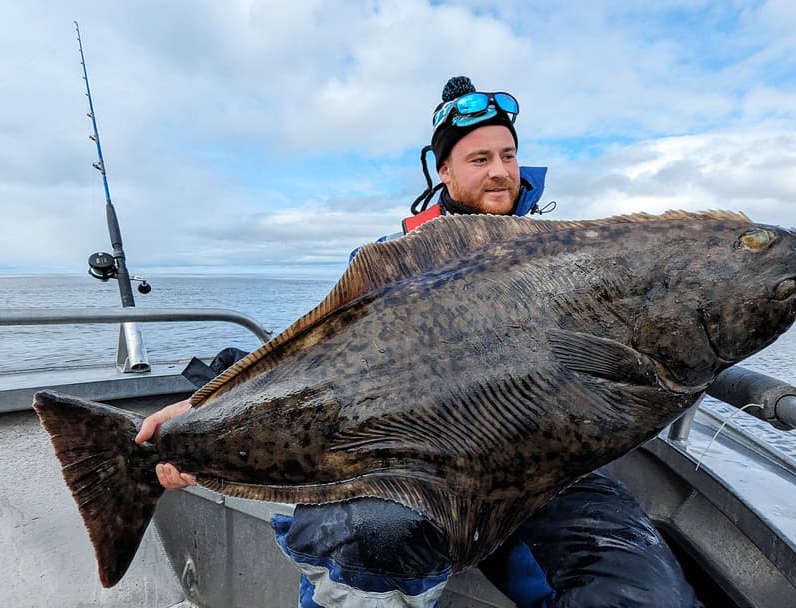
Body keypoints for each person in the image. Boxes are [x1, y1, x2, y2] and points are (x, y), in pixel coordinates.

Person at [136, 76, 701, 608]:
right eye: (479, 159)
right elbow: (311, 360)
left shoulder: (564, 254)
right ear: (445, 171)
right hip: (416, 467)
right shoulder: (392, 263)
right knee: (361, 540)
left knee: (644, 590)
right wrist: (200, 408)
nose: (500, 172)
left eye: (508, 156)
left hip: (549, 466)